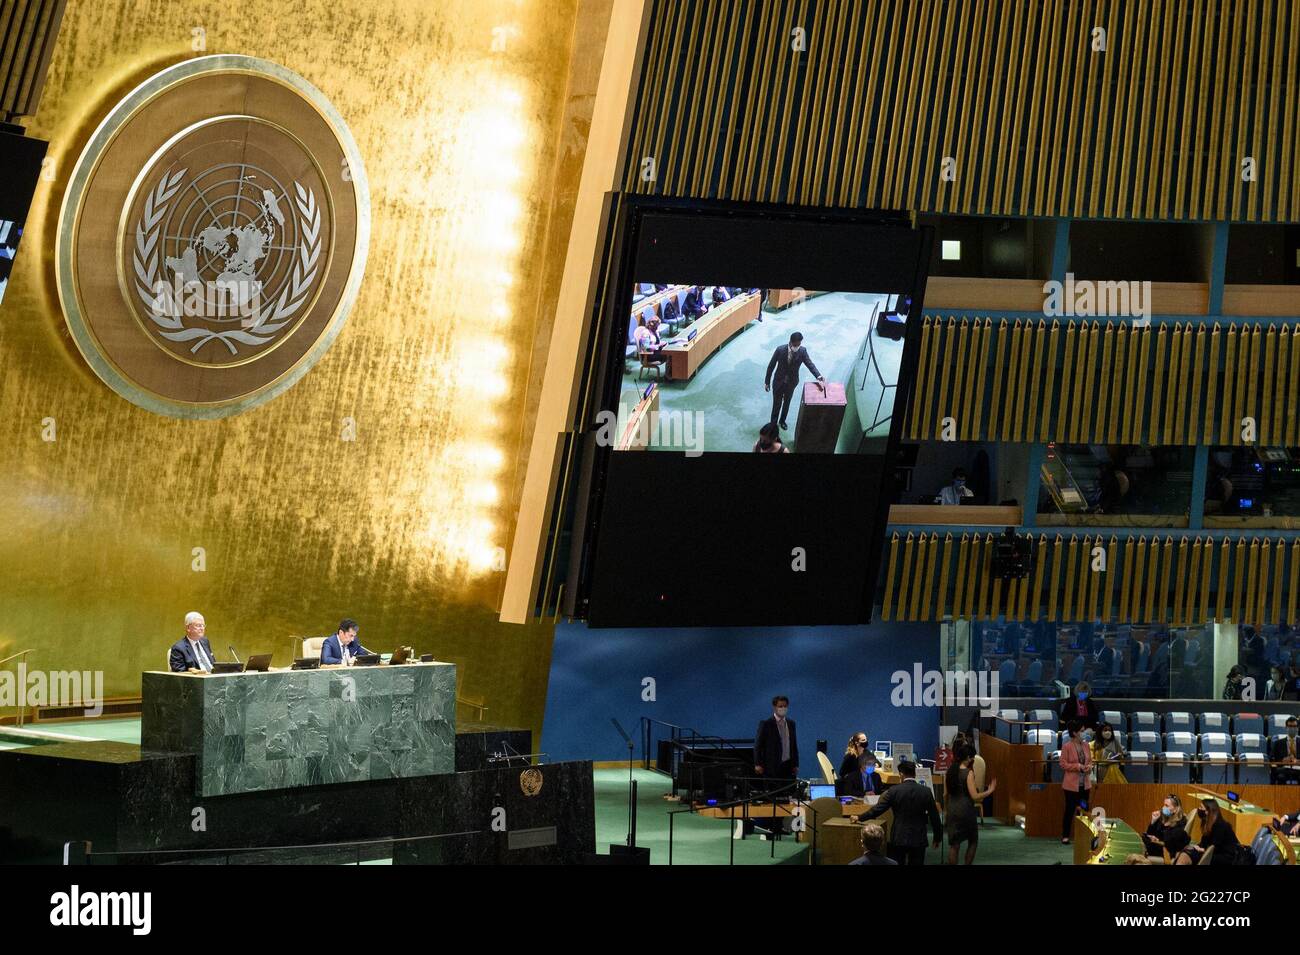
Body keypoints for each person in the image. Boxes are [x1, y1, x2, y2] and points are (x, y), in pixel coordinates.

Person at [857, 759, 942, 865]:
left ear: (901, 774)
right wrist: (937, 837)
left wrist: (859, 817)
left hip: (899, 836)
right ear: (915, 774)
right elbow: (934, 816)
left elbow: (877, 810)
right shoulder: (926, 791)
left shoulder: (893, 791)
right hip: (919, 836)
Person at [943, 744, 995, 864]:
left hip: (952, 810)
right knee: (973, 841)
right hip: (965, 811)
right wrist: (989, 791)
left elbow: (945, 795)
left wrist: (946, 810)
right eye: (972, 757)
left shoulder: (950, 771)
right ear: (968, 757)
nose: (973, 760)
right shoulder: (968, 773)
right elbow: (975, 796)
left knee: (954, 845)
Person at [764, 331, 824, 430]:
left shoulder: (802, 351)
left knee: (787, 402)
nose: (797, 346)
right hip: (778, 381)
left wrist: (818, 376)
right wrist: (767, 382)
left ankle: (782, 421)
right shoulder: (780, 350)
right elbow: (771, 366)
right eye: (796, 344)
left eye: (799, 344)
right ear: (790, 342)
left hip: (791, 382)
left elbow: (809, 364)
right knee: (776, 404)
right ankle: (773, 425)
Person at [1059, 719, 1093, 843]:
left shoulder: (1086, 745)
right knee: (1070, 810)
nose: (1084, 733)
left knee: (1084, 810)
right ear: (1074, 733)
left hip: (1085, 786)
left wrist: (1089, 767)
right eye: (1082, 731)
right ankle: (1065, 836)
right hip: (1071, 786)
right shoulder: (1067, 746)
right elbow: (1063, 764)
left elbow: (1089, 761)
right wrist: (1077, 766)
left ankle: (1082, 836)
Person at [754, 695, 798, 781]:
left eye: (785, 706)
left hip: (788, 766)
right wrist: (757, 764)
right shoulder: (766, 724)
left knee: (789, 792)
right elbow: (758, 745)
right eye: (780, 706)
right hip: (771, 766)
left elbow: (794, 745)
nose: (783, 708)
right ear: (775, 707)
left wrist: (795, 764)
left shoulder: (791, 723)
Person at [1190, 798, 1240, 865]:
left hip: (1227, 857)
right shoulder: (1207, 823)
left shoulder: (1221, 826)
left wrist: (1202, 850)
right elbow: (1204, 843)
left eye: (1201, 807)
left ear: (1208, 811)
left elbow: (1215, 848)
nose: (1198, 809)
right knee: (1189, 852)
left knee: (1195, 856)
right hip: (1215, 853)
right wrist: (1197, 847)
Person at [1270, 716, 1300, 784]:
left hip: (1298, 769)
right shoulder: (1278, 743)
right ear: (1286, 728)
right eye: (1290, 726)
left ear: (1297, 728)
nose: (1292, 728)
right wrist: (1282, 761)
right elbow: (1271, 759)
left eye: (1294, 726)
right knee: (1280, 777)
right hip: (1284, 769)